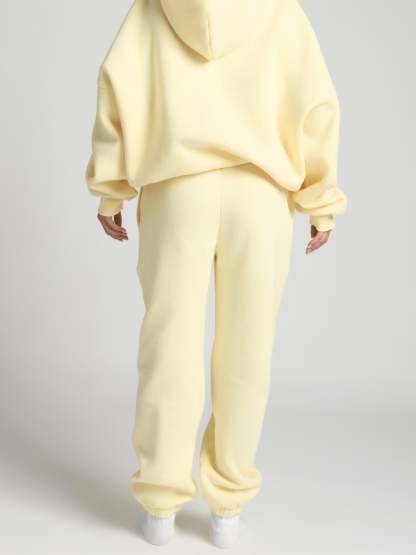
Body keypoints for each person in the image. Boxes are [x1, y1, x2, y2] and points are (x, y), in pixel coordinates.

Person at [86, 0, 347, 548]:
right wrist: (320, 198)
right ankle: (227, 507)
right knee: (247, 349)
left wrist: (111, 189)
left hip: (176, 189)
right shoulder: (281, 10)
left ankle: (160, 507)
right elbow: (315, 102)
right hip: (261, 194)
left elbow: (117, 88)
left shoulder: (153, 9)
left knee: (168, 344)